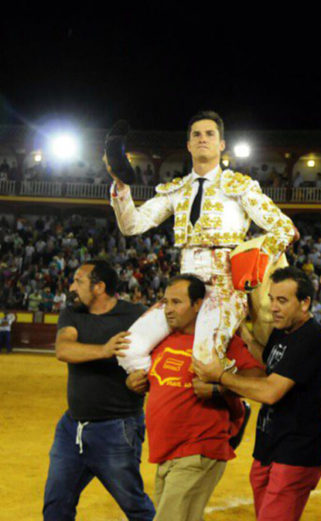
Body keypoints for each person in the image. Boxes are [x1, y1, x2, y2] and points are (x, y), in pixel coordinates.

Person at [108, 110, 295, 372]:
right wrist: (121, 186)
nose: (202, 139)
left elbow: (284, 228)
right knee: (129, 350)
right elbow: (131, 225)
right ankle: (167, 393)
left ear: (221, 144)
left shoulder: (240, 186)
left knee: (205, 358)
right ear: (188, 145)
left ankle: (234, 403)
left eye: (209, 134)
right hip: (184, 286)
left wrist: (257, 257)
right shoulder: (176, 189)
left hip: (225, 286)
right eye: (196, 134)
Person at [194, 266, 321, 521]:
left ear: (305, 303)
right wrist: (243, 333)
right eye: (271, 299)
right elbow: (268, 364)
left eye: (282, 300)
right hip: (269, 446)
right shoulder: (284, 331)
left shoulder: (311, 338)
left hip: (297, 452)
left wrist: (220, 377)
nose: (273, 308)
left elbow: (271, 391)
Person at [125, 274, 265, 521]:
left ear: (198, 304)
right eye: (166, 302)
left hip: (198, 448)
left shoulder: (218, 342)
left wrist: (217, 388)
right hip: (166, 452)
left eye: (176, 302)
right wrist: (134, 382)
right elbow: (158, 380)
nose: (168, 309)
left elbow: (255, 377)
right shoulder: (163, 340)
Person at [43, 260, 155, 521]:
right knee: (56, 505)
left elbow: (158, 356)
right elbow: (63, 350)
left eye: (78, 281)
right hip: (72, 428)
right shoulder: (72, 313)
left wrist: (141, 379)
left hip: (117, 429)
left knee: (135, 507)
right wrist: (104, 350)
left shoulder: (136, 315)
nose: (71, 287)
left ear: (99, 287)